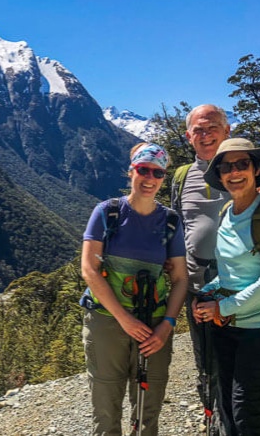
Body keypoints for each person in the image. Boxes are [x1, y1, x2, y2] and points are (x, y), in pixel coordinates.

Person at [169, 104, 260, 433]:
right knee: (212, 374)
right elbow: (178, 226)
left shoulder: (256, 173)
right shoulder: (182, 178)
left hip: (250, 303)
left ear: (227, 130)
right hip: (204, 292)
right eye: (198, 131)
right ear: (189, 137)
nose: (205, 135)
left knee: (247, 408)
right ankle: (217, 428)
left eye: (212, 127)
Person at [81, 142, 188, 435]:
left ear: (163, 178)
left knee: (148, 409)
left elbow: (180, 278)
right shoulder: (107, 213)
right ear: (131, 171)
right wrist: (124, 319)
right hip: (107, 321)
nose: (149, 178)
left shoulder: (169, 222)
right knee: (105, 408)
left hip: (153, 325)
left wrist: (166, 326)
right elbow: (89, 269)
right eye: (143, 170)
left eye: (157, 172)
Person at [194, 138, 260, 435]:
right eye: (227, 167)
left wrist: (221, 307)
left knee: (247, 418)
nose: (234, 172)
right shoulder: (227, 213)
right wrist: (207, 295)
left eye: (242, 164)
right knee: (228, 414)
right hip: (227, 329)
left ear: (255, 169)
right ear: (220, 174)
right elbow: (228, 276)